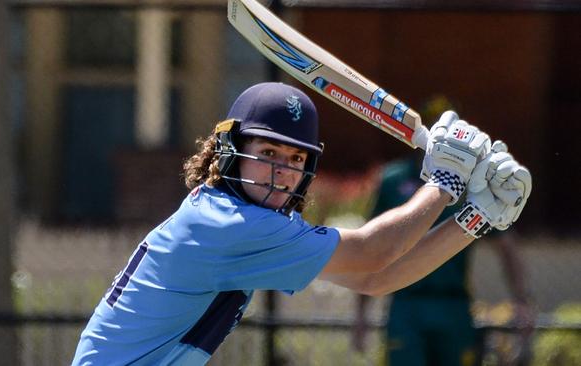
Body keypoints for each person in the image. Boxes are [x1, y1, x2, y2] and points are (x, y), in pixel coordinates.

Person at [71, 82, 532, 366]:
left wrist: (476, 217)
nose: (282, 170)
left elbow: (376, 277)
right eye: (268, 153)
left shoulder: (236, 216)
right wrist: (446, 182)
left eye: (296, 158)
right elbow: (373, 251)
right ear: (228, 150)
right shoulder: (229, 225)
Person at [352, 155, 533, 366]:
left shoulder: (472, 184)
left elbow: (506, 244)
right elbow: (369, 248)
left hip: (452, 303)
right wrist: (361, 311)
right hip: (406, 303)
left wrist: (521, 299)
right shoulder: (393, 180)